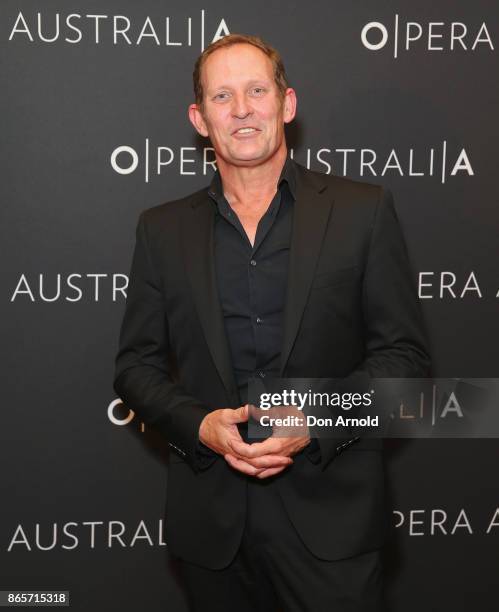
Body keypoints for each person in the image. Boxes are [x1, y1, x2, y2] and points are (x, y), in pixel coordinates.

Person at [113, 33, 430, 612]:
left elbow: (405, 361)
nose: (241, 109)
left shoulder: (362, 211)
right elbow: (136, 365)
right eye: (222, 96)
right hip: (213, 527)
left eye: (257, 91)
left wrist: (315, 420)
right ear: (200, 118)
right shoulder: (161, 230)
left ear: (286, 104)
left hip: (332, 518)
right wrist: (200, 425)